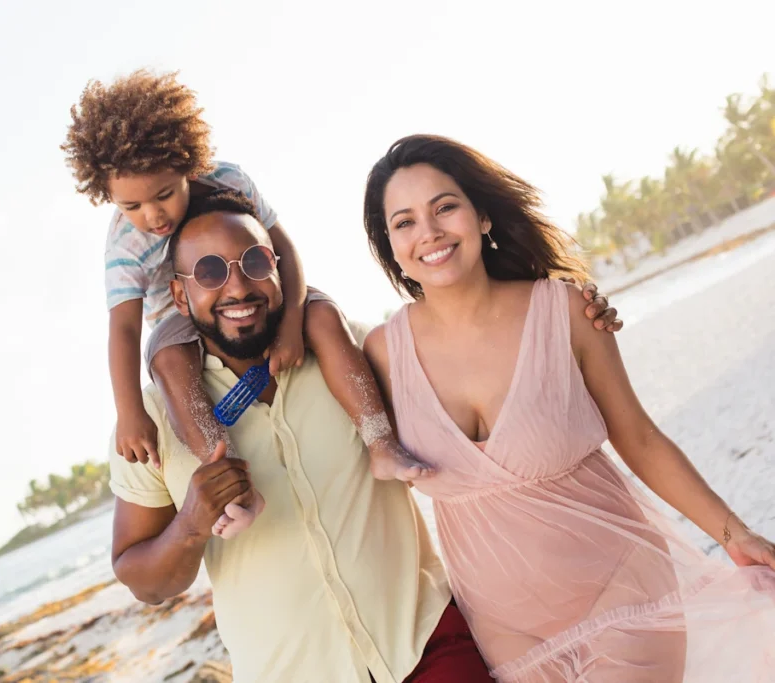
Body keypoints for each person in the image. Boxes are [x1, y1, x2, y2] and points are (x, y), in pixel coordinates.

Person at [107, 190, 622, 683]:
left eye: (257, 264)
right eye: (209, 273)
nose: (238, 289)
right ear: (178, 293)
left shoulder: (355, 356)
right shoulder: (151, 422)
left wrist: (573, 316)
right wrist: (190, 526)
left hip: (426, 645)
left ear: (279, 267)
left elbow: (487, 362)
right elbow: (144, 580)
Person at [362, 134, 775, 682]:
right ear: (390, 246)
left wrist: (734, 533)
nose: (430, 232)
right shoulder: (381, 354)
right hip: (507, 633)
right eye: (405, 221)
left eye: (445, 207)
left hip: (621, 590)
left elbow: (641, 440)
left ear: (481, 215)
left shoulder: (568, 312)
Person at [62, 70, 439, 538]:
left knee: (324, 315)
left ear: (186, 164)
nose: (152, 215)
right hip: (183, 317)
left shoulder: (229, 178)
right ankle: (237, 487)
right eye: (131, 205)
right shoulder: (124, 242)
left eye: (163, 195)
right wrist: (129, 411)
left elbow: (285, 248)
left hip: (261, 286)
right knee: (168, 362)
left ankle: (381, 442)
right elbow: (123, 329)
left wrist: (294, 319)